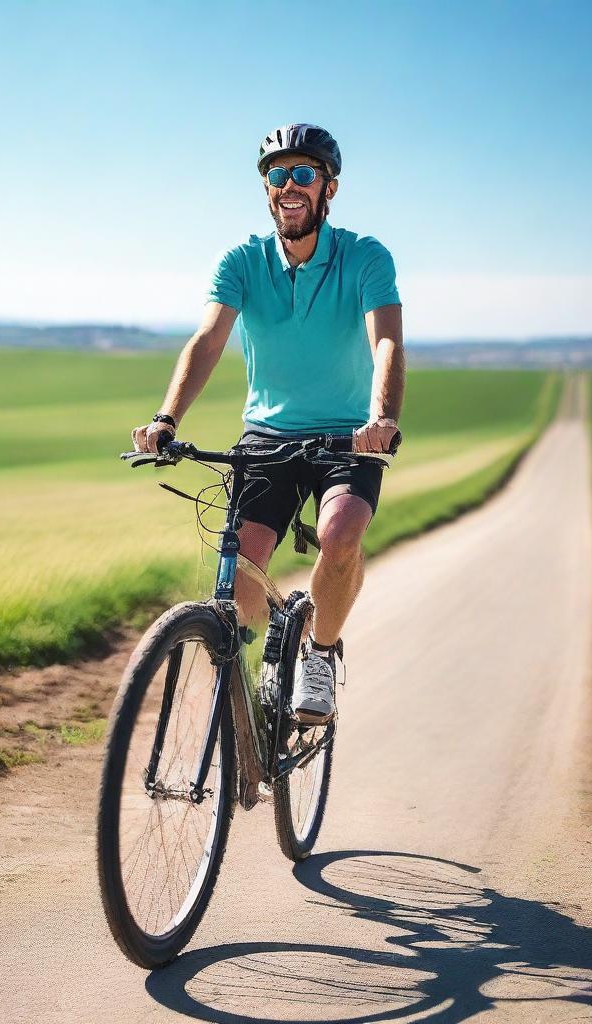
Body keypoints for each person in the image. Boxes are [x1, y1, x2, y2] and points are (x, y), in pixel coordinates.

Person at [131, 123, 404, 726]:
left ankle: (320, 653)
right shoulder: (242, 261)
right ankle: (252, 691)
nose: (288, 184)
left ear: (329, 187)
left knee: (339, 535)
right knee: (244, 569)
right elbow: (207, 340)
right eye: (276, 174)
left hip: (347, 434)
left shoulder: (364, 257)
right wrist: (165, 418)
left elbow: (384, 341)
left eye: (303, 173)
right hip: (268, 437)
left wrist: (382, 416)